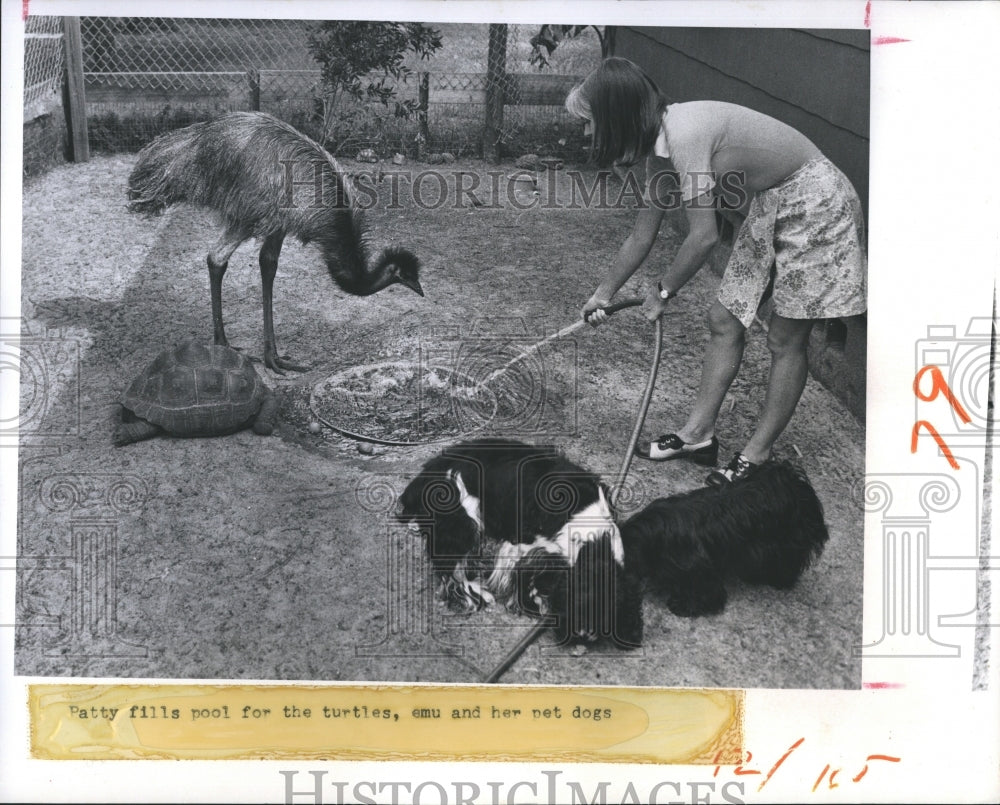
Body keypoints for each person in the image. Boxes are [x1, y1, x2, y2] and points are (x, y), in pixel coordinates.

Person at [567, 57, 867, 485]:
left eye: (590, 121)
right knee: (724, 320)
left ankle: (756, 455)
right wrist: (603, 294)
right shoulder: (660, 149)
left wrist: (663, 291)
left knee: (785, 338)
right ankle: (698, 436)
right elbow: (641, 235)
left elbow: (704, 236)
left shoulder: (685, 134)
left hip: (817, 201)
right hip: (774, 200)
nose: (587, 132)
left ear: (616, 114)